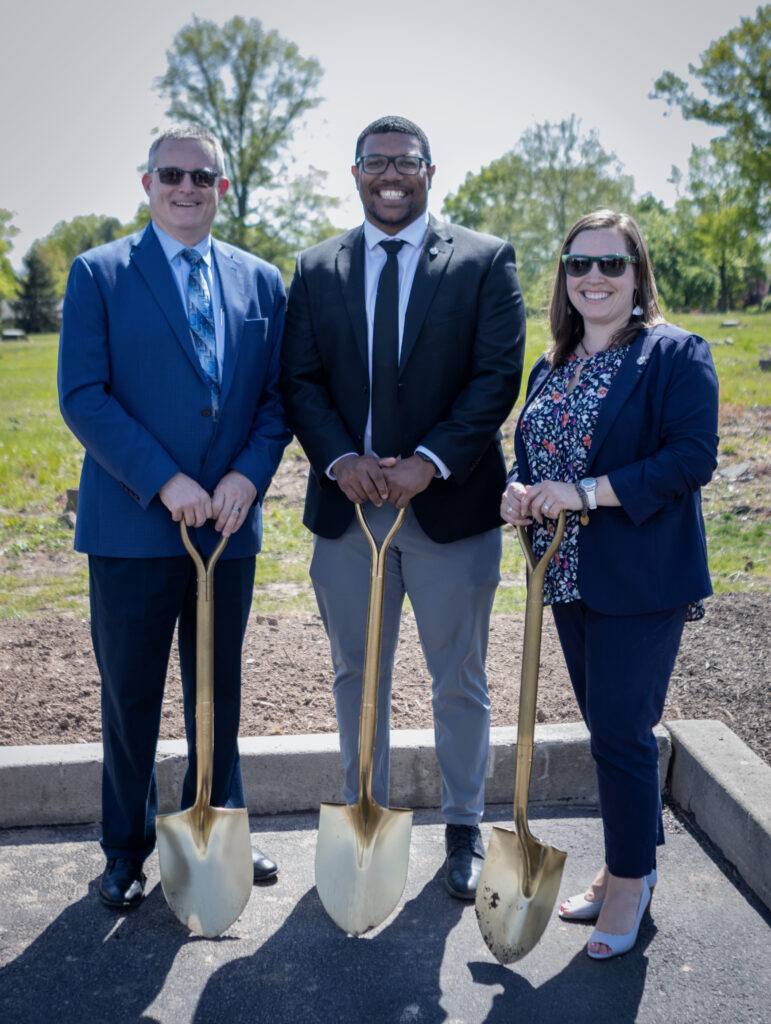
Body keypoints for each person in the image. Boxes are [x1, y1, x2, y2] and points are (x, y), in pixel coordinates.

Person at [281, 115, 526, 899]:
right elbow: (301, 381)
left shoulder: (484, 261)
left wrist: (429, 461)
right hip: (349, 512)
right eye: (376, 162)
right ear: (355, 172)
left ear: (430, 169)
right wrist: (339, 458)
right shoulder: (317, 268)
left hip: (448, 509)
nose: (391, 174)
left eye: (406, 162)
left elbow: (495, 376)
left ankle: (463, 828)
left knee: (459, 677)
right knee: (357, 676)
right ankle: (366, 817)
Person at [58, 124, 291, 909]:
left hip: (227, 524)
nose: (187, 187)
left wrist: (245, 478)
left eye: (203, 177)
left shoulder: (261, 281)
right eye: (171, 175)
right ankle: (124, 849)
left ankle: (217, 831)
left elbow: (276, 399)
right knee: (129, 697)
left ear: (222, 187)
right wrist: (165, 482)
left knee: (216, 692)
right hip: (132, 526)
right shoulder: (99, 273)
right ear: (146, 182)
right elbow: (83, 395)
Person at [501, 209, 718, 958]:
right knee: (610, 729)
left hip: (642, 577)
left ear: (637, 275)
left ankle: (629, 878)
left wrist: (584, 493)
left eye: (610, 264)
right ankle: (633, 861)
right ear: (562, 278)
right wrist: (517, 489)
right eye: (577, 265)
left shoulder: (673, 354)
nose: (593, 277)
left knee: (621, 731)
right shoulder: (551, 362)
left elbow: (690, 459)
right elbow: (532, 454)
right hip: (564, 573)